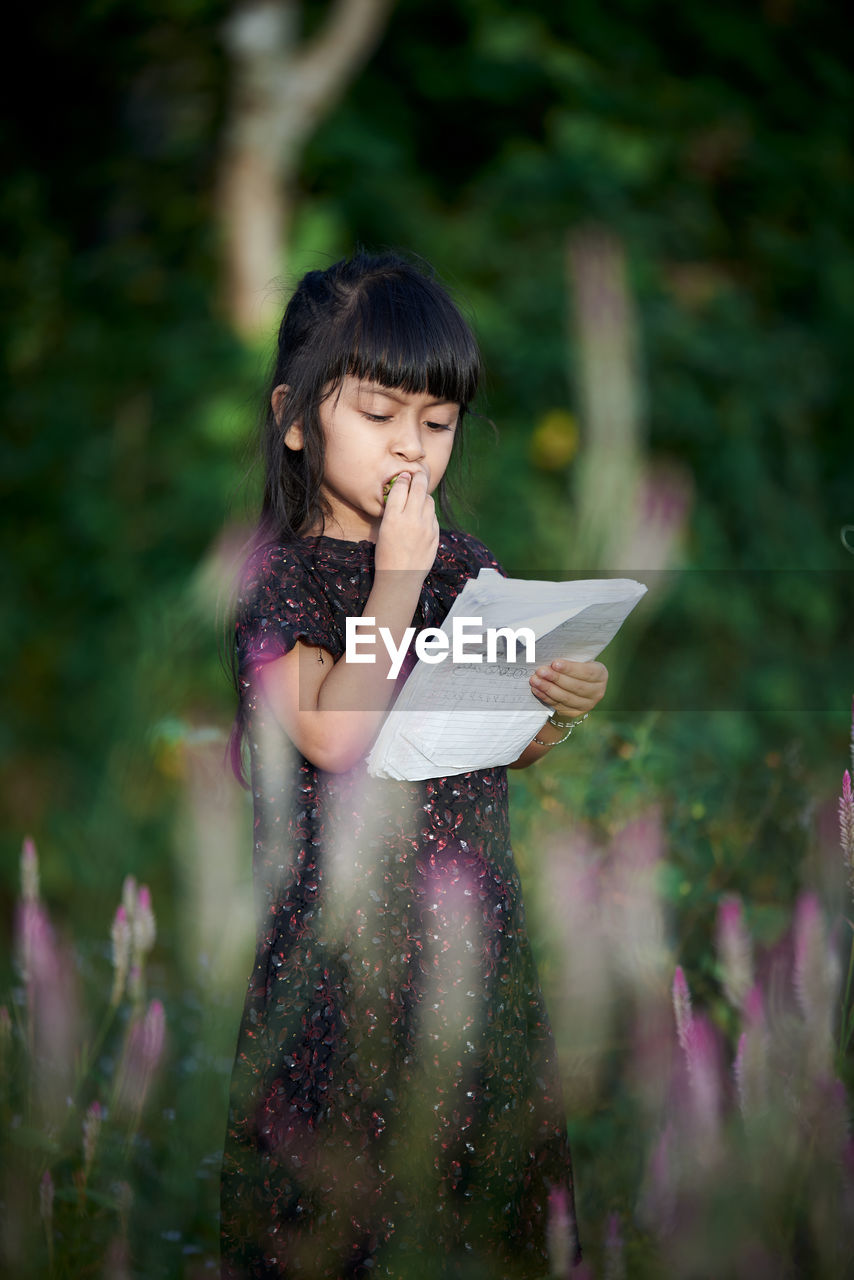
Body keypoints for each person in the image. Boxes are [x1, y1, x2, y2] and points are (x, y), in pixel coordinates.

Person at [220, 251, 608, 1280]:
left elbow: (485, 739)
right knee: (347, 1226)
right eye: (380, 413)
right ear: (296, 417)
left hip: (470, 954)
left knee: (480, 1227)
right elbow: (336, 739)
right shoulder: (277, 582)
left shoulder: (463, 566)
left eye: (434, 425)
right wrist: (393, 583)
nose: (409, 448)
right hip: (338, 974)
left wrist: (551, 710)